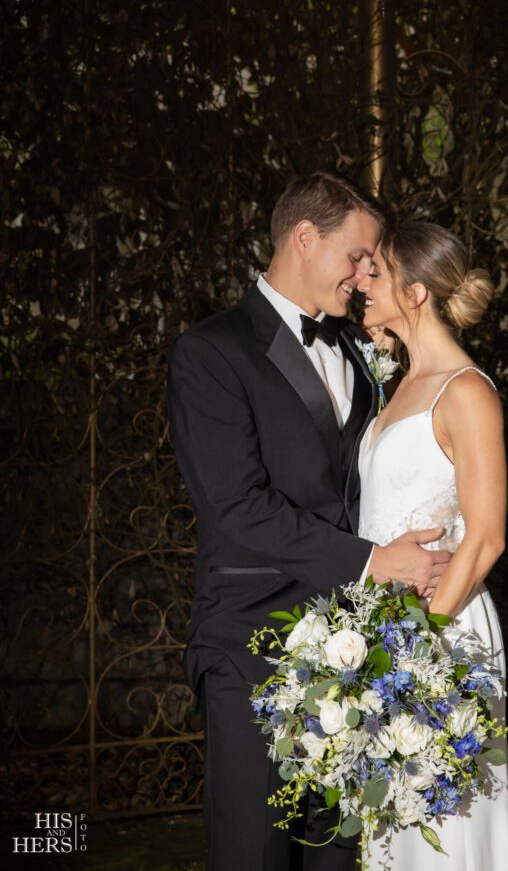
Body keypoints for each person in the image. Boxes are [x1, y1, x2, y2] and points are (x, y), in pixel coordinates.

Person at [167, 173, 452, 871]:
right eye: (357, 256)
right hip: (251, 644)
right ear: (303, 238)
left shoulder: (358, 348)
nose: (365, 275)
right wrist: (370, 561)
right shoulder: (211, 352)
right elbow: (235, 507)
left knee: (338, 855)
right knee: (255, 854)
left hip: (354, 651)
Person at [356, 219, 508, 871]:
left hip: (443, 628)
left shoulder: (464, 392)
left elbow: (487, 535)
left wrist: (418, 642)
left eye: (375, 272)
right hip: (381, 628)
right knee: (389, 818)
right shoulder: (399, 384)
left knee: (446, 816)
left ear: (415, 292)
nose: (360, 281)